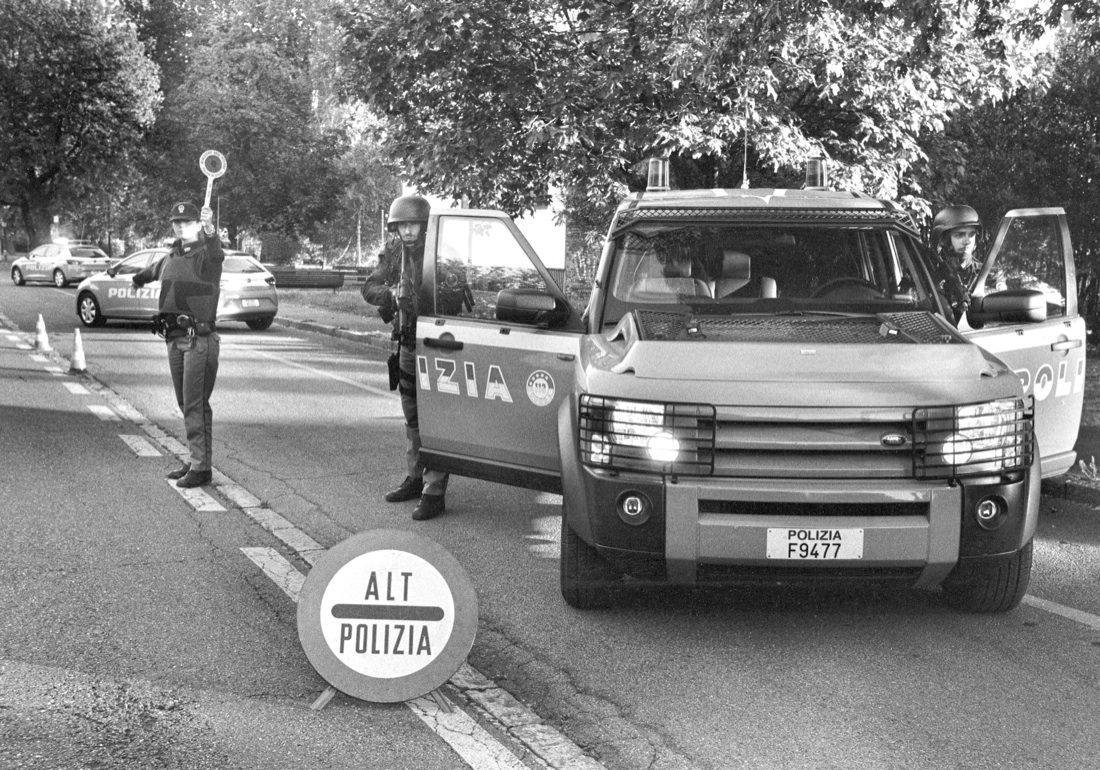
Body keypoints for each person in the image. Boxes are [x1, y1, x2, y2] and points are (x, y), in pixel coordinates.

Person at [362, 194, 449, 521]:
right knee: (411, 413)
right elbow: (369, 287)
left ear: (423, 225)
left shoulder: (441, 251)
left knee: (434, 416)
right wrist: (391, 295)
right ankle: (415, 477)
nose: (408, 231)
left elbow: (456, 290)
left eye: (413, 224)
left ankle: (434, 490)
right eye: (403, 226)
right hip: (407, 343)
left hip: (437, 343)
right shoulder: (394, 253)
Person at [133, 201, 224, 488]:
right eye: (177, 221)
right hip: (174, 338)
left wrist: (210, 230)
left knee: (195, 405)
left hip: (198, 339)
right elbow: (155, 269)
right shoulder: (173, 254)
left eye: (187, 221)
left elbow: (217, 254)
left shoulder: (205, 257)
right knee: (186, 404)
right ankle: (197, 459)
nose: (181, 225)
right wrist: (137, 277)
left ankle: (201, 468)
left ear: (197, 224)